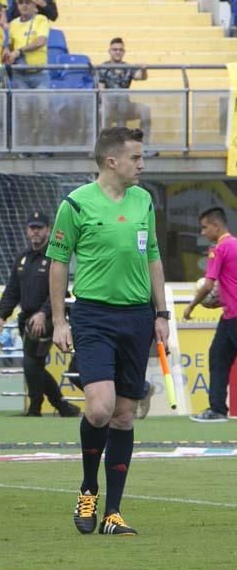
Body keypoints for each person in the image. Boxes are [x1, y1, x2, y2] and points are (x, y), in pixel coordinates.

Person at [48, 127, 168, 537]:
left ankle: (113, 513)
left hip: (137, 316)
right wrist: (60, 319)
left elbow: (152, 254)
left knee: (123, 415)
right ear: (111, 161)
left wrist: (161, 312)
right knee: (99, 408)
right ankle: (87, 489)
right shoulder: (75, 205)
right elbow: (59, 262)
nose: (143, 164)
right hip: (94, 315)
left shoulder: (144, 200)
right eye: (136, 158)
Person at [0, 212, 81, 417]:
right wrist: (1, 315)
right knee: (35, 365)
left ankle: (37, 407)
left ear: (48, 230)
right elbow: (12, 290)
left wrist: (43, 313)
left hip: (49, 317)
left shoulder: (54, 257)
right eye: (32, 227)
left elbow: (59, 290)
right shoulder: (22, 258)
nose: (35, 231)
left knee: (31, 363)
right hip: (26, 317)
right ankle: (62, 407)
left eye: (39, 228)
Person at [186, 207, 237, 422]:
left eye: (205, 227)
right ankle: (216, 409)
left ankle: (217, 410)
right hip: (228, 314)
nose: (203, 233)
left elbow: (208, 285)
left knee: (218, 359)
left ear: (217, 226)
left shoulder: (219, 249)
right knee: (217, 356)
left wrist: (191, 306)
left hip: (234, 315)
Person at [98, 38, 151, 138]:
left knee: (145, 109)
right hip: (109, 105)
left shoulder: (128, 67)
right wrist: (110, 103)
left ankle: (145, 147)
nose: (118, 52)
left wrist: (143, 70)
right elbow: (101, 91)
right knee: (103, 110)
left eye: (120, 50)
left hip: (125, 105)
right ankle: (105, 145)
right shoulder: (103, 67)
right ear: (109, 51)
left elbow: (141, 77)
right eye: (115, 49)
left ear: (124, 52)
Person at [5, 0, 49, 89]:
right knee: (22, 104)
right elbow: (10, 46)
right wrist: (8, 53)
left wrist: (20, 51)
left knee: (42, 104)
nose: (24, 5)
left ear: (34, 5)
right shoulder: (13, 24)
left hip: (39, 73)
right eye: (21, 3)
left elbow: (41, 41)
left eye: (28, 3)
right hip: (19, 74)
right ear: (17, 6)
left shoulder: (41, 19)